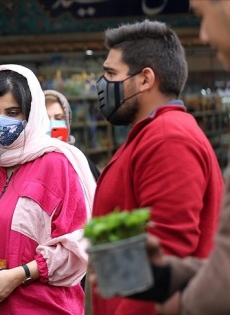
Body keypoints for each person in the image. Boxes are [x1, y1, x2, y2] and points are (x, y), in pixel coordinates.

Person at [95, 2, 230, 314]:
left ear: (145, 79)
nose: (101, 86)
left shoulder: (169, 138)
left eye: (111, 74)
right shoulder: (151, 133)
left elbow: (169, 249)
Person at [0, 64, 96, 314]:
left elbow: (77, 246)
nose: (1, 121)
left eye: (12, 112)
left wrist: (20, 274)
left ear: (31, 112)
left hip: (46, 307)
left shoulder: (56, 164)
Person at [44, 89, 101, 180]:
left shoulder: (80, 160)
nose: (52, 124)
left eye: (58, 118)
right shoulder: (27, 162)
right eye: (46, 119)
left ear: (67, 121)